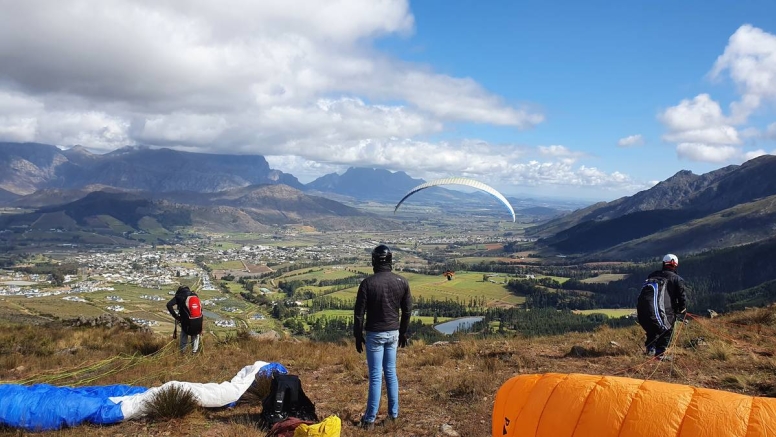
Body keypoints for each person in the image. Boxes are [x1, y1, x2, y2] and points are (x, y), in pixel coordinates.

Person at [353, 244, 412, 430]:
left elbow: (358, 314)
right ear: (390, 260)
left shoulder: (367, 283)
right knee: (391, 373)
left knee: (376, 376)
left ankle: (369, 420)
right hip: (393, 333)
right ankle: (393, 415)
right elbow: (408, 310)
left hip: (374, 335)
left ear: (374, 261)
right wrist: (403, 332)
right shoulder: (401, 282)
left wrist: (357, 335)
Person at [637, 254, 688, 360]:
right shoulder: (676, 279)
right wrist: (682, 308)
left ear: (664, 263)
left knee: (652, 329)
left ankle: (650, 348)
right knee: (667, 329)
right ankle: (660, 354)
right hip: (663, 311)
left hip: (643, 311)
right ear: (675, 265)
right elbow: (681, 296)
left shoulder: (652, 275)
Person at [166, 285, 203, 354]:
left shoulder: (179, 296)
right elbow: (200, 310)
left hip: (187, 322)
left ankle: (183, 352)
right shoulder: (194, 295)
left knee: (184, 333)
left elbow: (169, 305)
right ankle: (194, 352)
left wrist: (176, 316)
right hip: (198, 321)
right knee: (195, 334)